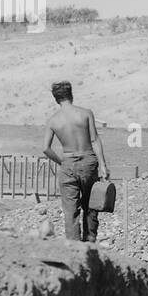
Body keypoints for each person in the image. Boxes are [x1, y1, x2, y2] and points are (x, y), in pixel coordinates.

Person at [42, 81, 110, 242]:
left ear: (56, 99)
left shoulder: (53, 121)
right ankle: (90, 243)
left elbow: (45, 148)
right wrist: (103, 165)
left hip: (68, 164)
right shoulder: (86, 113)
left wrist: (62, 162)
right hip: (88, 161)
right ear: (71, 94)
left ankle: (74, 249)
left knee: (70, 211)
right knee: (91, 205)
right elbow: (94, 140)